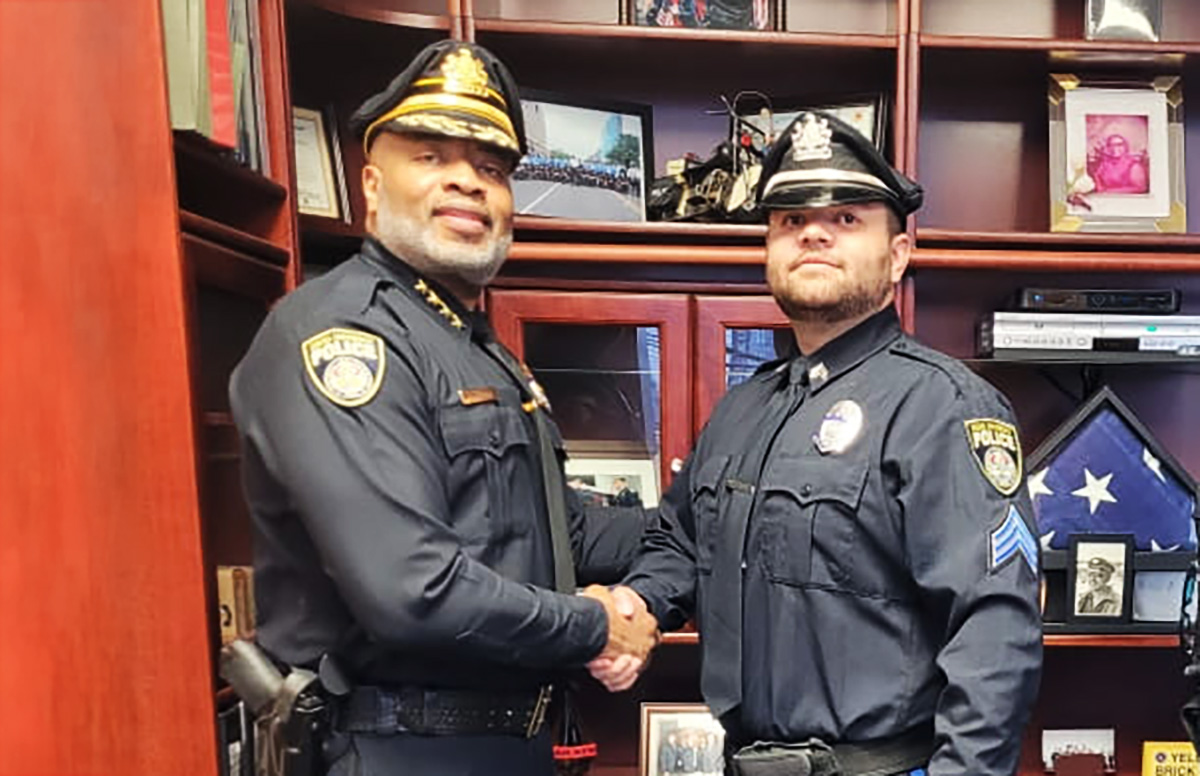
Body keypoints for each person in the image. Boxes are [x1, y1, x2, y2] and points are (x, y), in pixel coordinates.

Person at [228, 40, 657, 776]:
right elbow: (411, 590)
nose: (466, 181)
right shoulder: (342, 337)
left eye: (490, 168)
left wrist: (700, 526)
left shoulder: (480, 350)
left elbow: (557, 531)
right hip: (394, 747)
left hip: (512, 745)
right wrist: (595, 627)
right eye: (430, 157)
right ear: (370, 183)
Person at [591, 111, 1043, 776]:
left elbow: (996, 634)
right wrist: (638, 606)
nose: (812, 234)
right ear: (768, 249)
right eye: (789, 220)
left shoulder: (942, 407)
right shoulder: (742, 410)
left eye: (847, 219)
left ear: (897, 257)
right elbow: (679, 541)